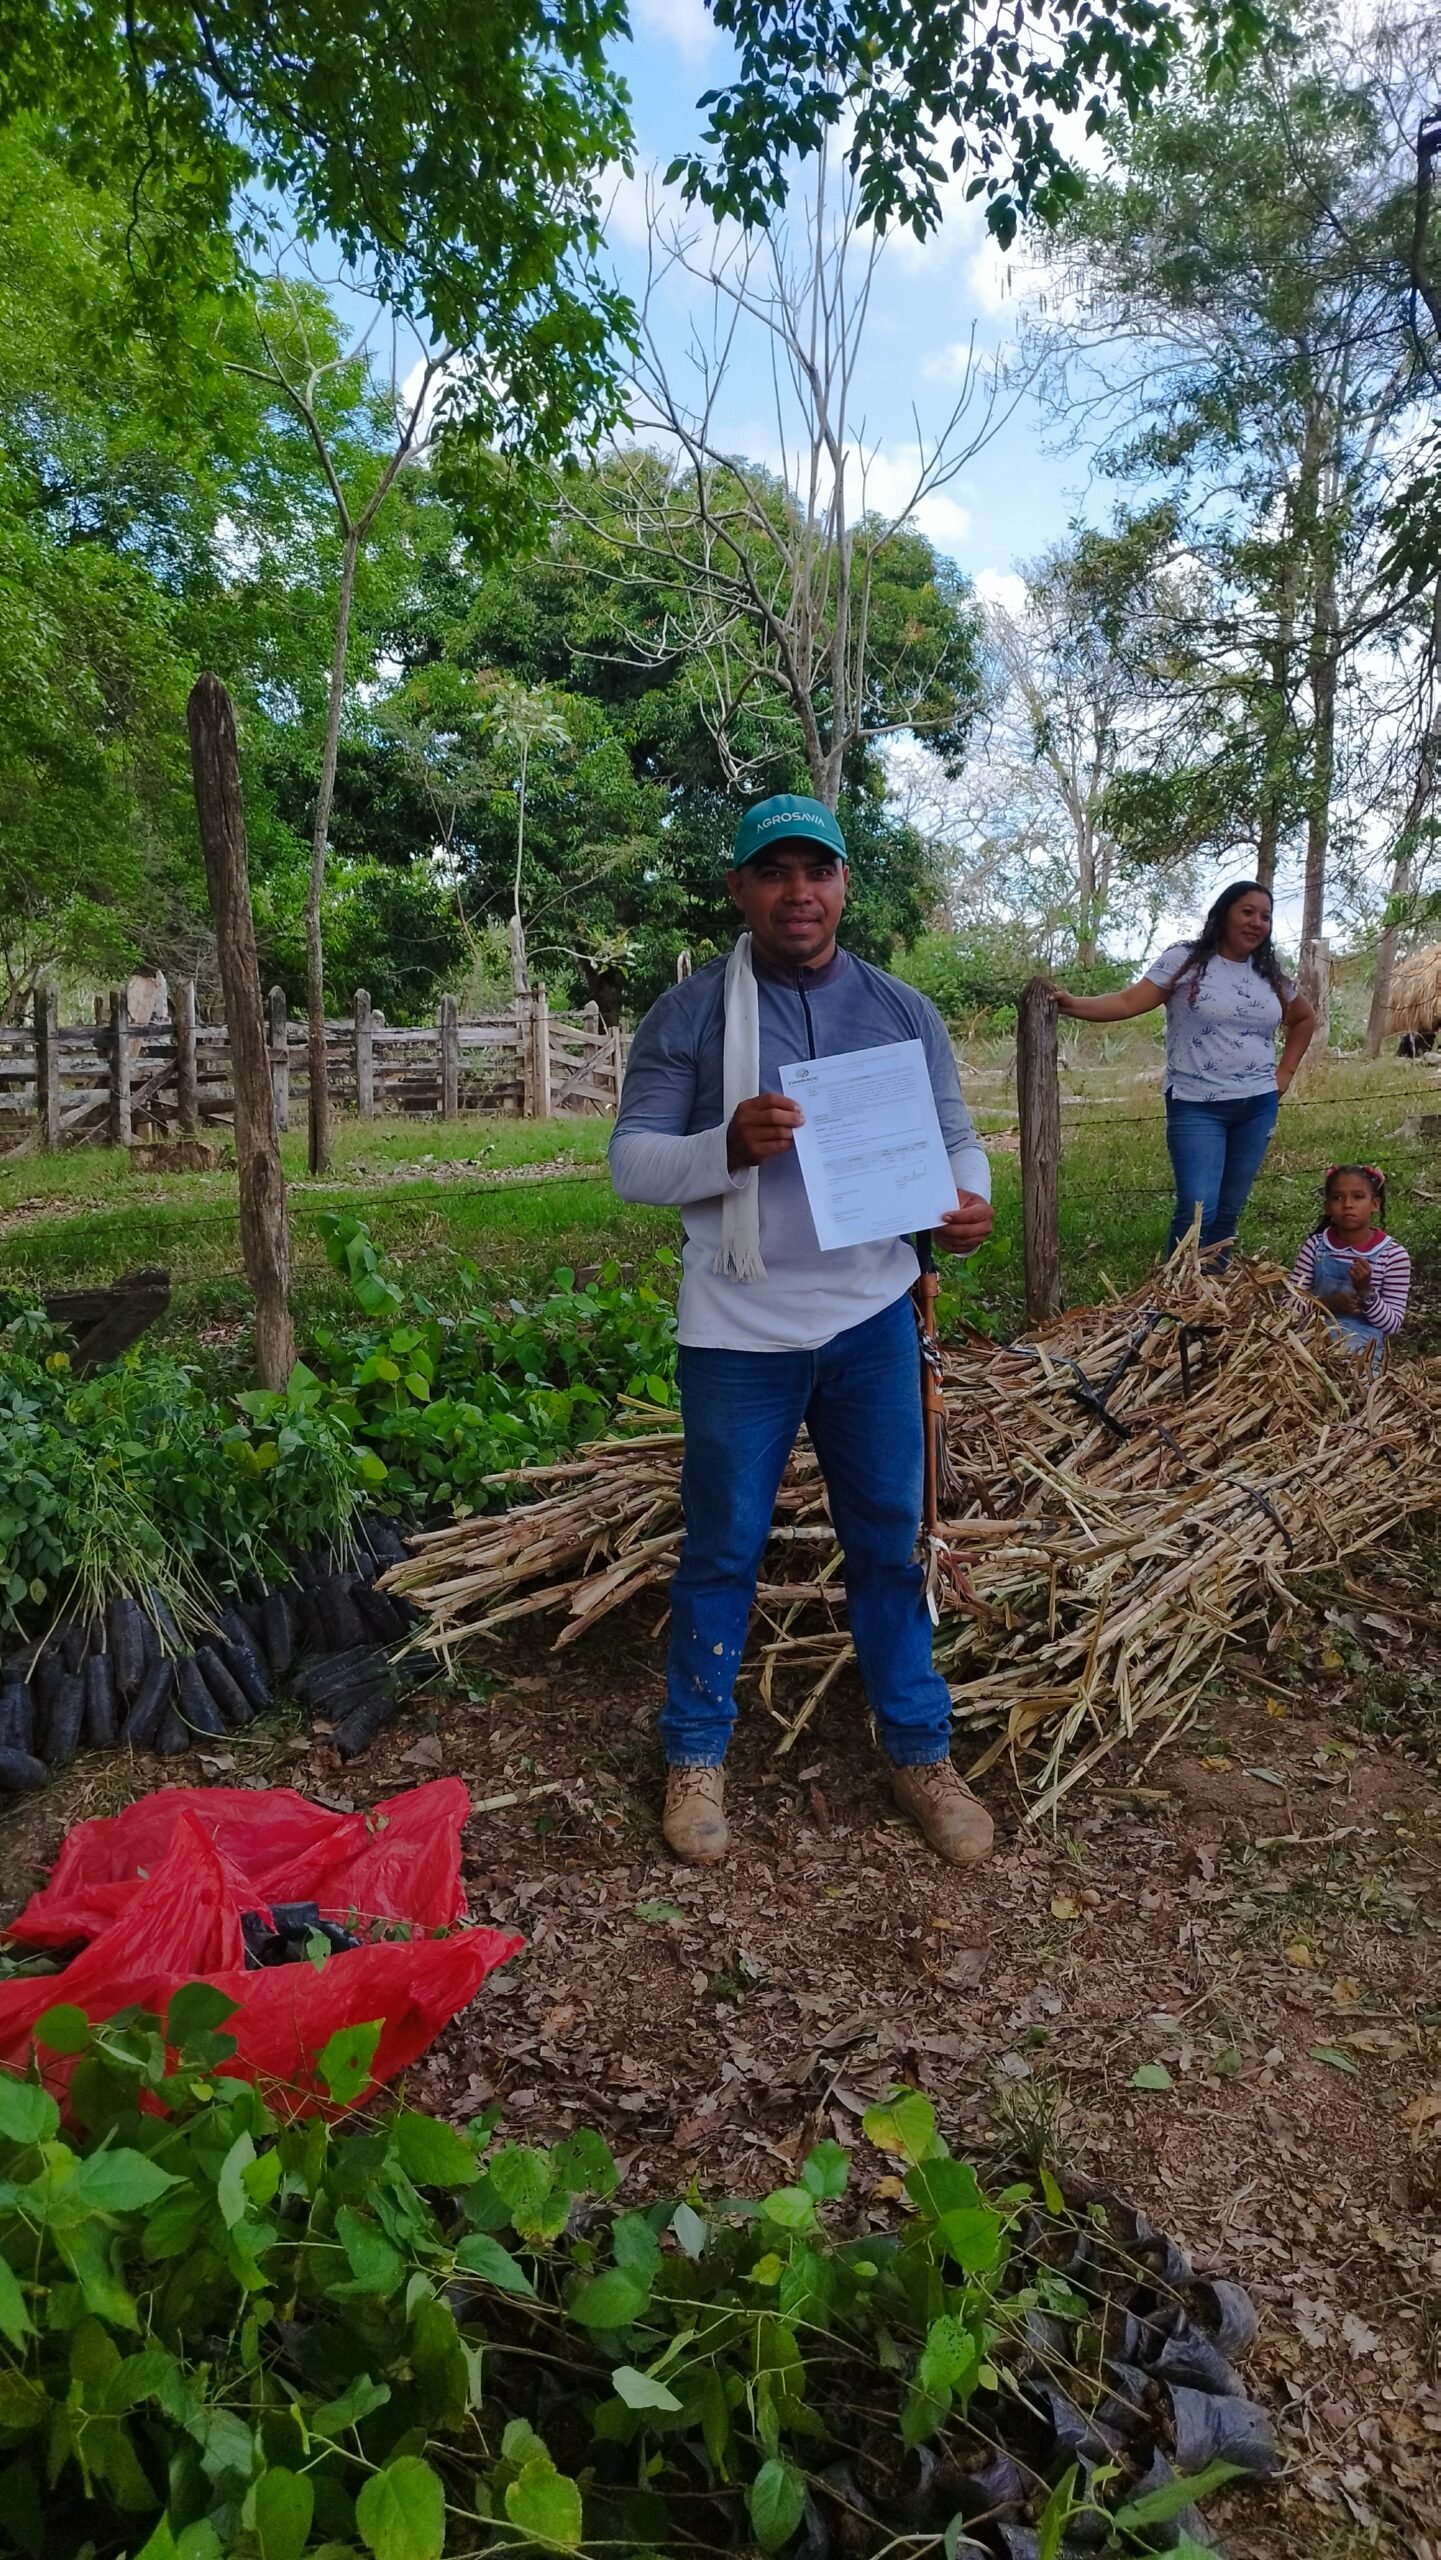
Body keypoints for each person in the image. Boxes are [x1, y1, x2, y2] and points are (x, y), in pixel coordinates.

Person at [609, 791, 995, 1871]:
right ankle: (694, 1758)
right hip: (737, 1327)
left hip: (869, 1317)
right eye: (773, 871)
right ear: (738, 889)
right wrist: (722, 1145)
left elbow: (955, 1136)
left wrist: (968, 1201)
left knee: (887, 1540)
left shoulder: (900, 1010)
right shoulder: (688, 1017)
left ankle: (919, 1751)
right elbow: (631, 1161)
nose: (797, 892)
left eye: (815, 870)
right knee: (722, 1546)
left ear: (842, 886)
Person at [1051, 882, 1316, 1261]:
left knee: (1227, 1212)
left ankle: (1210, 1297)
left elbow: (1304, 1018)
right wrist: (1071, 1005)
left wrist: (1285, 1073)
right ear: (1224, 913)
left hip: (1257, 1106)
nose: (1257, 922)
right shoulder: (1185, 961)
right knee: (1198, 1210)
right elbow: (1127, 1002)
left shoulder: (1269, 973)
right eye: (1247, 912)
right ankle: (1172, 1300)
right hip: (1198, 1104)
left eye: (1265, 916)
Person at [1291, 1165, 1410, 1363]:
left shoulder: (1393, 1255)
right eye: (1337, 1198)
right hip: (1309, 1340)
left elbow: (1392, 1325)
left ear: (1375, 1204)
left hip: (1361, 1351)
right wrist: (1326, 1305)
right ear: (1327, 1207)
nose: (1347, 1204)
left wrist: (1366, 1293)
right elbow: (1288, 1307)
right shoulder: (1315, 1247)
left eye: (1358, 1197)